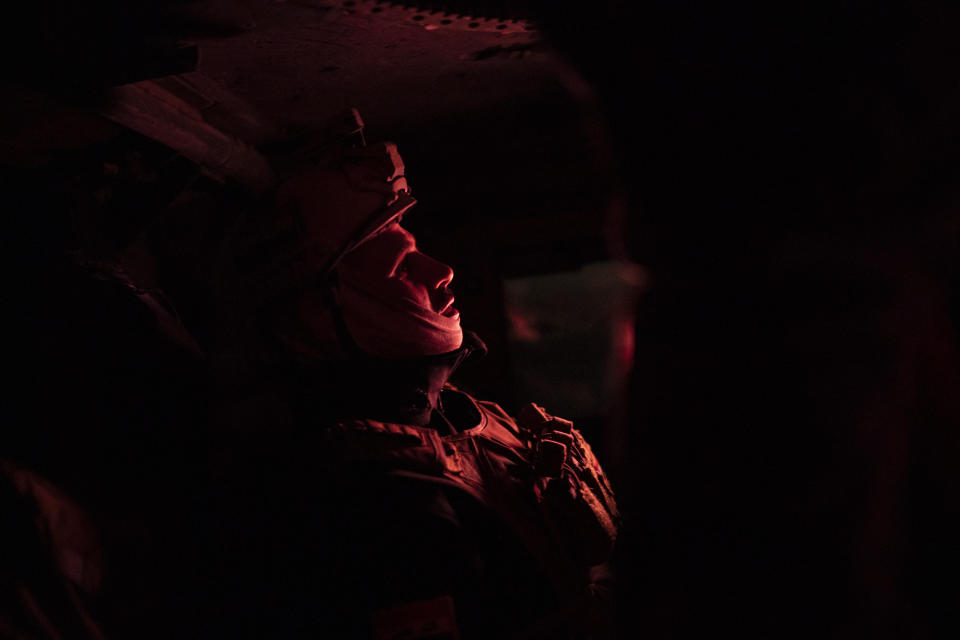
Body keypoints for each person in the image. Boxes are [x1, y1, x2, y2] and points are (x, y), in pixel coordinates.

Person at [210, 137, 620, 639]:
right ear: (321, 313)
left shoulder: (461, 413)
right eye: (401, 268)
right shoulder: (357, 500)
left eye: (416, 252)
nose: (443, 272)